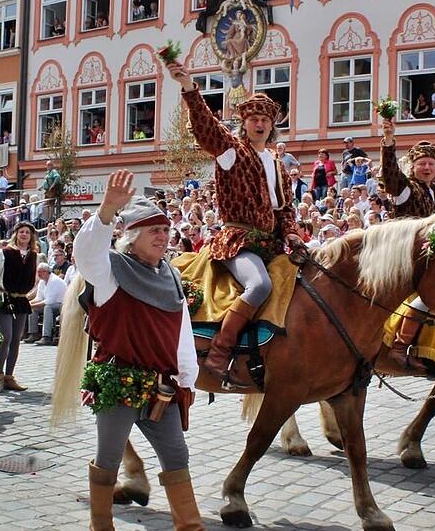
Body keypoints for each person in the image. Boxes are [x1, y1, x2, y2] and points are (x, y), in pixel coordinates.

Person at [73, 171, 201, 530]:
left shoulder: (170, 274)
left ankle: (191, 526)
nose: (163, 236)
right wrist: (105, 211)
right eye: (154, 231)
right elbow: (86, 255)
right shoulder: (110, 272)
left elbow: (182, 332)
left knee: (177, 455)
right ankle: (102, 525)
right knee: (109, 459)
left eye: (165, 230)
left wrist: (187, 379)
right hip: (119, 386)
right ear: (132, 237)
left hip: (163, 389)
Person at [169, 58, 301, 387]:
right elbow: (206, 129)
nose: (259, 124)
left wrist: (294, 235)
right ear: (245, 123)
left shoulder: (278, 163)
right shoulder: (233, 152)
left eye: (265, 119)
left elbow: (284, 210)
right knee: (260, 286)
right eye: (254, 118)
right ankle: (219, 350)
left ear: (272, 125)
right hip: (239, 241)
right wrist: (189, 88)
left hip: (273, 244)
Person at [378, 117, 435, 372]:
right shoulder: (407, 189)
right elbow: (390, 176)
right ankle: (399, 347)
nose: (427, 167)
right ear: (413, 167)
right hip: (405, 257)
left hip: (433, 259)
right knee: (426, 297)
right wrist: (388, 142)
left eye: (431, 164)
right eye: (422, 163)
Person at [0, 222, 38, 393]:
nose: (24, 235)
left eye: (27, 233)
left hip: (21, 300)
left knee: (16, 339)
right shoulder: (4, 253)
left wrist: (31, 293)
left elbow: (35, 279)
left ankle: (9, 376)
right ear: (15, 234)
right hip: (4, 297)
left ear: (31, 236)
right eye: (21, 231)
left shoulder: (33, 255)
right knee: (6, 337)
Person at [27, 263, 66, 346]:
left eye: (41, 272)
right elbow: (39, 298)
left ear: (47, 272)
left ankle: (46, 336)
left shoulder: (54, 281)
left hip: (61, 304)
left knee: (47, 308)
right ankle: (33, 333)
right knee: (33, 309)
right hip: (50, 303)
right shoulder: (42, 282)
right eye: (38, 272)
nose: (39, 274)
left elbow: (49, 301)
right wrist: (29, 303)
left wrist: (32, 305)